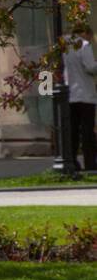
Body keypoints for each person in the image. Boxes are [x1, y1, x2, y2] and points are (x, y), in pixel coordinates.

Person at [62, 24, 97, 172]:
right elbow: (90, 67)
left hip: (69, 94)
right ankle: (90, 163)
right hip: (85, 95)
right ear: (86, 33)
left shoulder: (64, 44)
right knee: (87, 132)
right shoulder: (84, 45)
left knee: (73, 131)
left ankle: (72, 162)